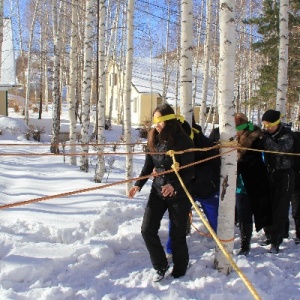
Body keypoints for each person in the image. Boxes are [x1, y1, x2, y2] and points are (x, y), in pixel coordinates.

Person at [128, 103, 194, 281]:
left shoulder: (183, 141)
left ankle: (180, 269)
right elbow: (149, 165)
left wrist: (173, 185)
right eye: (154, 121)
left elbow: (190, 171)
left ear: (169, 121)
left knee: (177, 234)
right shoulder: (153, 140)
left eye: (159, 120)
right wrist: (138, 185)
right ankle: (160, 265)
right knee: (147, 229)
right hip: (157, 190)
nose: (156, 124)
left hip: (178, 193)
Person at [235, 113, 271, 255]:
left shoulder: (258, 139)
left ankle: (270, 236)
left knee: (262, 211)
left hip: (257, 182)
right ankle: (245, 245)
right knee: (244, 215)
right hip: (240, 186)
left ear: (242, 128)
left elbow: (261, 160)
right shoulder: (231, 140)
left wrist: (240, 163)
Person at [260, 109, 295, 253]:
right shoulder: (266, 134)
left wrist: (264, 139)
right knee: (267, 206)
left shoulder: (287, 135)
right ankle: (269, 235)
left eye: (269, 125)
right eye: (265, 125)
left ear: (277, 123)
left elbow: (279, 149)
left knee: (280, 208)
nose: (267, 128)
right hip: (269, 174)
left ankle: (276, 241)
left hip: (284, 176)